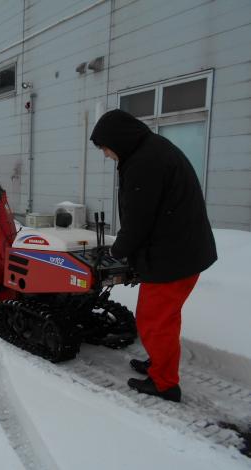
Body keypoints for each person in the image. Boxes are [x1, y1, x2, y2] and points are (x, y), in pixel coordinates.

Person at [90, 109, 217, 402]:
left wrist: (117, 252)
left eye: (106, 149)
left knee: (154, 321)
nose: (107, 155)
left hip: (173, 258)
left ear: (117, 141)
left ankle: (164, 384)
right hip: (184, 251)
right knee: (165, 318)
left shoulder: (143, 163)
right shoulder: (153, 149)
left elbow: (138, 221)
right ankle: (159, 364)